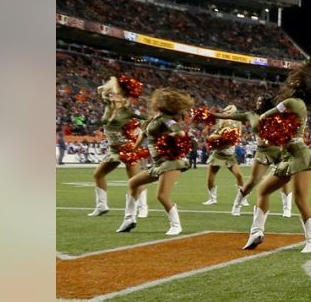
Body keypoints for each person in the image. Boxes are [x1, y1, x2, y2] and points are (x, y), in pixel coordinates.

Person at [243, 56, 311, 252]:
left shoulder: (293, 102)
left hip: (300, 155)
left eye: (294, 81)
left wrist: (264, 121)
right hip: (287, 156)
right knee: (263, 191)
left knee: (300, 199)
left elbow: (266, 115)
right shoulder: (295, 103)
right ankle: (256, 232)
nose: (289, 83)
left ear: (300, 85)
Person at [116, 88, 194, 235]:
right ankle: (129, 219)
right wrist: (133, 149)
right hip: (158, 164)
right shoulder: (152, 119)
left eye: (161, 100)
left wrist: (171, 135)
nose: (156, 101)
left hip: (170, 162)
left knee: (162, 195)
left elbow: (180, 131)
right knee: (133, 183)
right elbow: (143, 135)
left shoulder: (166, 119)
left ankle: (176, 225)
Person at [213, 98, 290, 217]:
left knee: (284, 179)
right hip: (262, 151)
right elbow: (231, 116)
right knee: (253, 181)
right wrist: (213, 114)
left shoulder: (276, 114)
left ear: (267, 104)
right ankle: (237, 205)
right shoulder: (251, 115)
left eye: (261, 102)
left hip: (279, 150)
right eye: (257, 101)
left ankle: (287, 209)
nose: (258, 103)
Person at [89, 75, 148, 218]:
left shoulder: (128, 110)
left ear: (124, 96)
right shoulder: (108, 105)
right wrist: (111, 85)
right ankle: (101, 206)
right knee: (98, 174)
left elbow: (148, 119)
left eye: (117, 93)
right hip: (114, 149)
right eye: (113, 93)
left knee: (135, 180)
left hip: (128, 148)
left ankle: (143, 208)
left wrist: (142, 132)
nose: (114, 95)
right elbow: (99, 90)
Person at [201, 106, 246, 209]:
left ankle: (242, 198)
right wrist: (214, 136)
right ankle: (212, 199)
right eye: (228, 113)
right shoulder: (220, 126)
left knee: (239, 175)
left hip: (230, 155)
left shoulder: (237, 126)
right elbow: (211, 138)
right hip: (218, 154)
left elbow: (235, 138)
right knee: (210, 178)